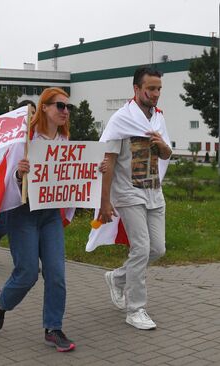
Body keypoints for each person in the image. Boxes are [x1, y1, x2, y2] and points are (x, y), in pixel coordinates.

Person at [0, 87, 76, 352]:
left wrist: (95, 169)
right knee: (27, 273)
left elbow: (73, 175)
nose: (65, 111)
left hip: (49, 215)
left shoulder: (65, 143)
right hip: (23, 214)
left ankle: (53, 328)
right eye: (60, 106)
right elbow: (6, 177)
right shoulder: (24, 140)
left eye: (67, 107)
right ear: (45, 107)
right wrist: (18, 174)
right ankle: (1, 302)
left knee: (56, 274)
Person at [98, 66, 171, 330]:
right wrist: (105, 202)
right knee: (140, 248)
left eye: (159, 89)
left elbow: (165, 154)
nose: (155, 93)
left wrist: (164, 147)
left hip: (153, 190)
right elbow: (108, 160)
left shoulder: (158, 118)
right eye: (151, 88)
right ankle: (136, 309)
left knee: (157, 249)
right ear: (137, 89)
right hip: (128, 192)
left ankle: (117, 278)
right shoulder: (120, 119)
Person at [0, 100, 37, 264]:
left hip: (29, 189)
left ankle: (26, 262)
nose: (32, 117)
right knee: (5, 225)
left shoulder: (38, 136)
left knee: (31, 226)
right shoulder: (10, 137)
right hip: (9, 186)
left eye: (34, 113)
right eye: (28, 113)